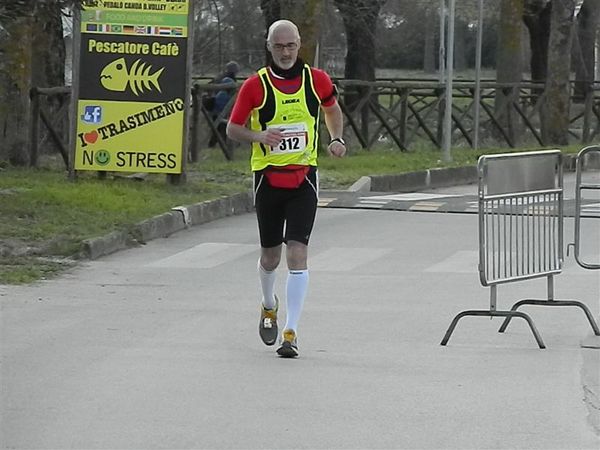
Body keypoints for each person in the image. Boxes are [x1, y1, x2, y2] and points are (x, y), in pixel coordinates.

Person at [226, 19, 346, 358]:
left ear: (299, 45)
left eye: (291, 45)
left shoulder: (316, 79)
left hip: (304, 178)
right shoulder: (255, 86)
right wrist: (259, 136)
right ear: (269, 47)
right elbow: (233, 129)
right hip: (268, 179)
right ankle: (268, 306)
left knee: (297, 253)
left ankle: (291, 332)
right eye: (278, 46)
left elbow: (332, 108)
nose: (285, 52)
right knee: (270, 256)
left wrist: (336, 138)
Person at [207, 61, 239, 147]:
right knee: (220, 127)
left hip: (218, 107)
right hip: (222, 108)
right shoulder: (228, 80)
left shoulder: (220, 77)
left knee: (219, 127)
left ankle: (217, 144)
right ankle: (220, 145)